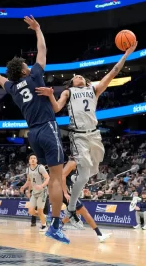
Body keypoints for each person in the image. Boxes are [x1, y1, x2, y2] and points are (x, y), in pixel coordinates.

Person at [0, 16, 68, 244]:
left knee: (55, 177)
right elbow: (42, 50)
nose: (30, 65)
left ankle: (55, 219)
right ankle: (55, 224)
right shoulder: (35, 76)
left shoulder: (13, 88)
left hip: (33, 135)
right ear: (24, 71)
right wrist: (38, 29)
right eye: (27, 65)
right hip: (47, 128)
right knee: (57, 179)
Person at [36, 42, 138, 228]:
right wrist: (51, 95)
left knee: (93, 170)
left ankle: (75, 192)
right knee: (83, 174)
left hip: (95, 135)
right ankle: (72, 207)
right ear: (72, 83)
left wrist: (126, 54)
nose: (79, 77)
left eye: (81, 76)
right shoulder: (68, 92)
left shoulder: (94, 89)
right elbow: (57, 107)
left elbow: (113, 72)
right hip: (79, 136)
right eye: (75, 77)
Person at [60, 158, 112, 242]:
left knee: (75, 212)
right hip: (65, 192)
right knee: (84, 211)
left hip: (69, 192)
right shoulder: (72, 162)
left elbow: (72, 181)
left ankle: (58, 226)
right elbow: (62, 176)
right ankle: (100, 235)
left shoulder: (79, 165)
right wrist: (65, 193)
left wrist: (81, 190)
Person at [20, 153, 50, 232]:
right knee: (31, 211)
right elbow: (29, 181)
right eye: (31, 158)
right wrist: (24, 187)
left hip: (42, 191)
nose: (32, 159)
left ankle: (44, 226)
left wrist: (42, 185)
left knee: (40, 210)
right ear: (29, 161)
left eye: (34, 158)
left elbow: (48, 178)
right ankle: (44, 216)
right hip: (34, 192)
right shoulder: (28, 169)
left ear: (36, 160)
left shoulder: (40, 168)